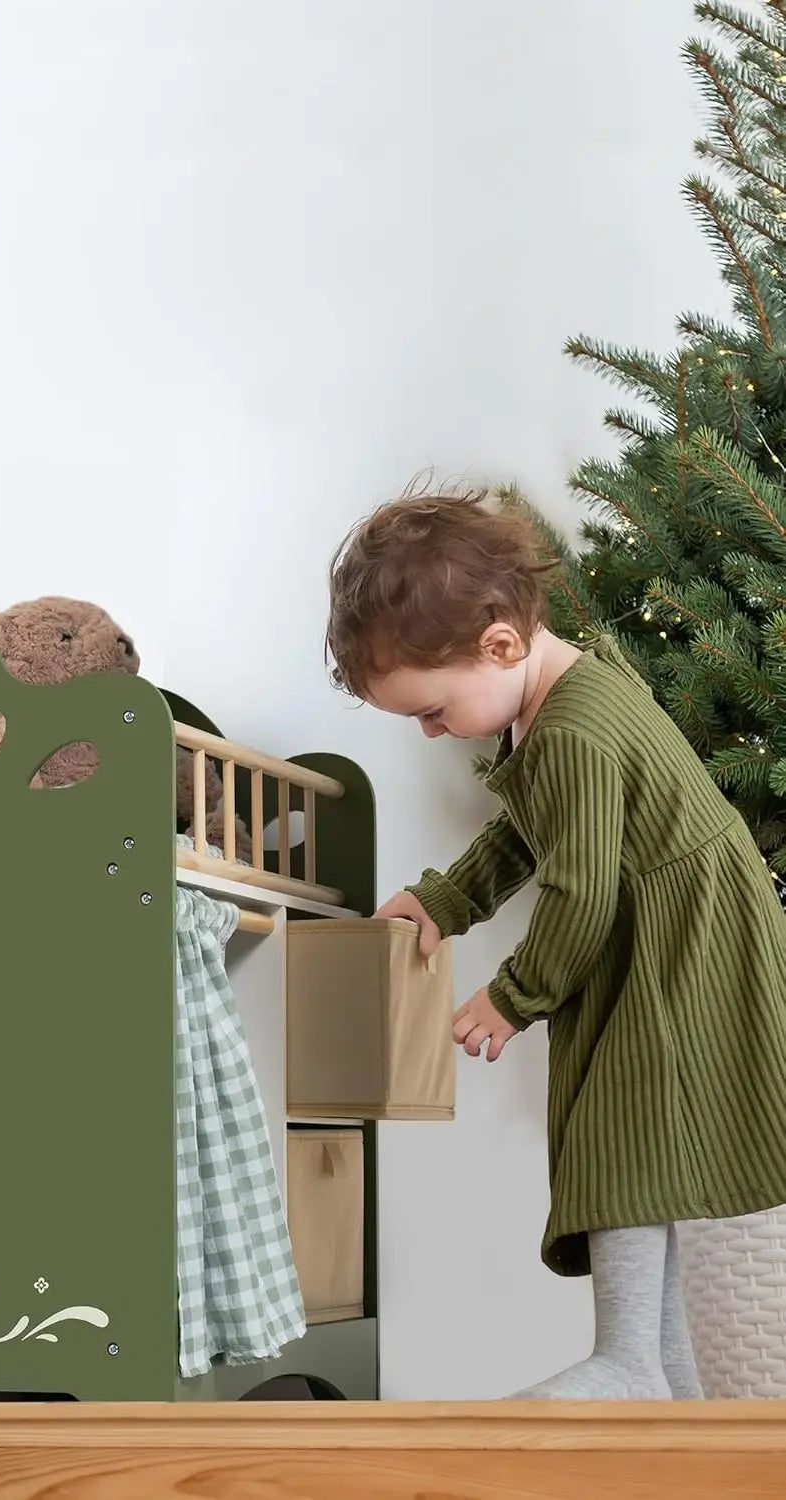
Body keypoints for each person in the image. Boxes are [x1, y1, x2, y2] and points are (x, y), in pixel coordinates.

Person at [325, 486, 786, 1400]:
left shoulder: (573, 730)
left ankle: (625, 1363)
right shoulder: (554, 706)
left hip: (682, 944)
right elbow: (527, 831)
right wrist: (445, 899)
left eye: (430, 709)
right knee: (632, 1135)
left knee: (623, 1127)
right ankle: (661, 1376)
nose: (429, 731)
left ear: (498, 644)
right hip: (664, 930)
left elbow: (580, 889)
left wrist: (514, 994)